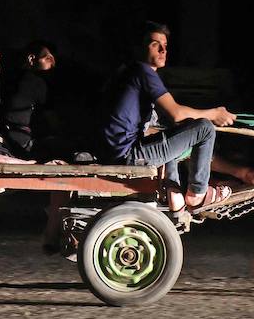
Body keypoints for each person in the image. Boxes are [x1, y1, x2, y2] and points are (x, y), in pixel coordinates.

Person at [97, 22, 239, 211]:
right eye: (155, 44)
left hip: (115, 151)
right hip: (127, 154)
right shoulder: (143, 71)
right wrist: (214, 114)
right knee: (205, 129)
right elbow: (177, 114)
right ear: (139, 48)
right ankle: (198, 194)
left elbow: (169, 125)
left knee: (173, 133)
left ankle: (174, 193)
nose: (163, 50)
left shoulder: (127, 72)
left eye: (165, 45)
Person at [0, 38, 56, 157]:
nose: (53, 63)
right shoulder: (35, 82)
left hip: (3, 138)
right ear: (31, 59)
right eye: (48, 58)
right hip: (22, 142)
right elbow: (49, 118)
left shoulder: (6, 77)